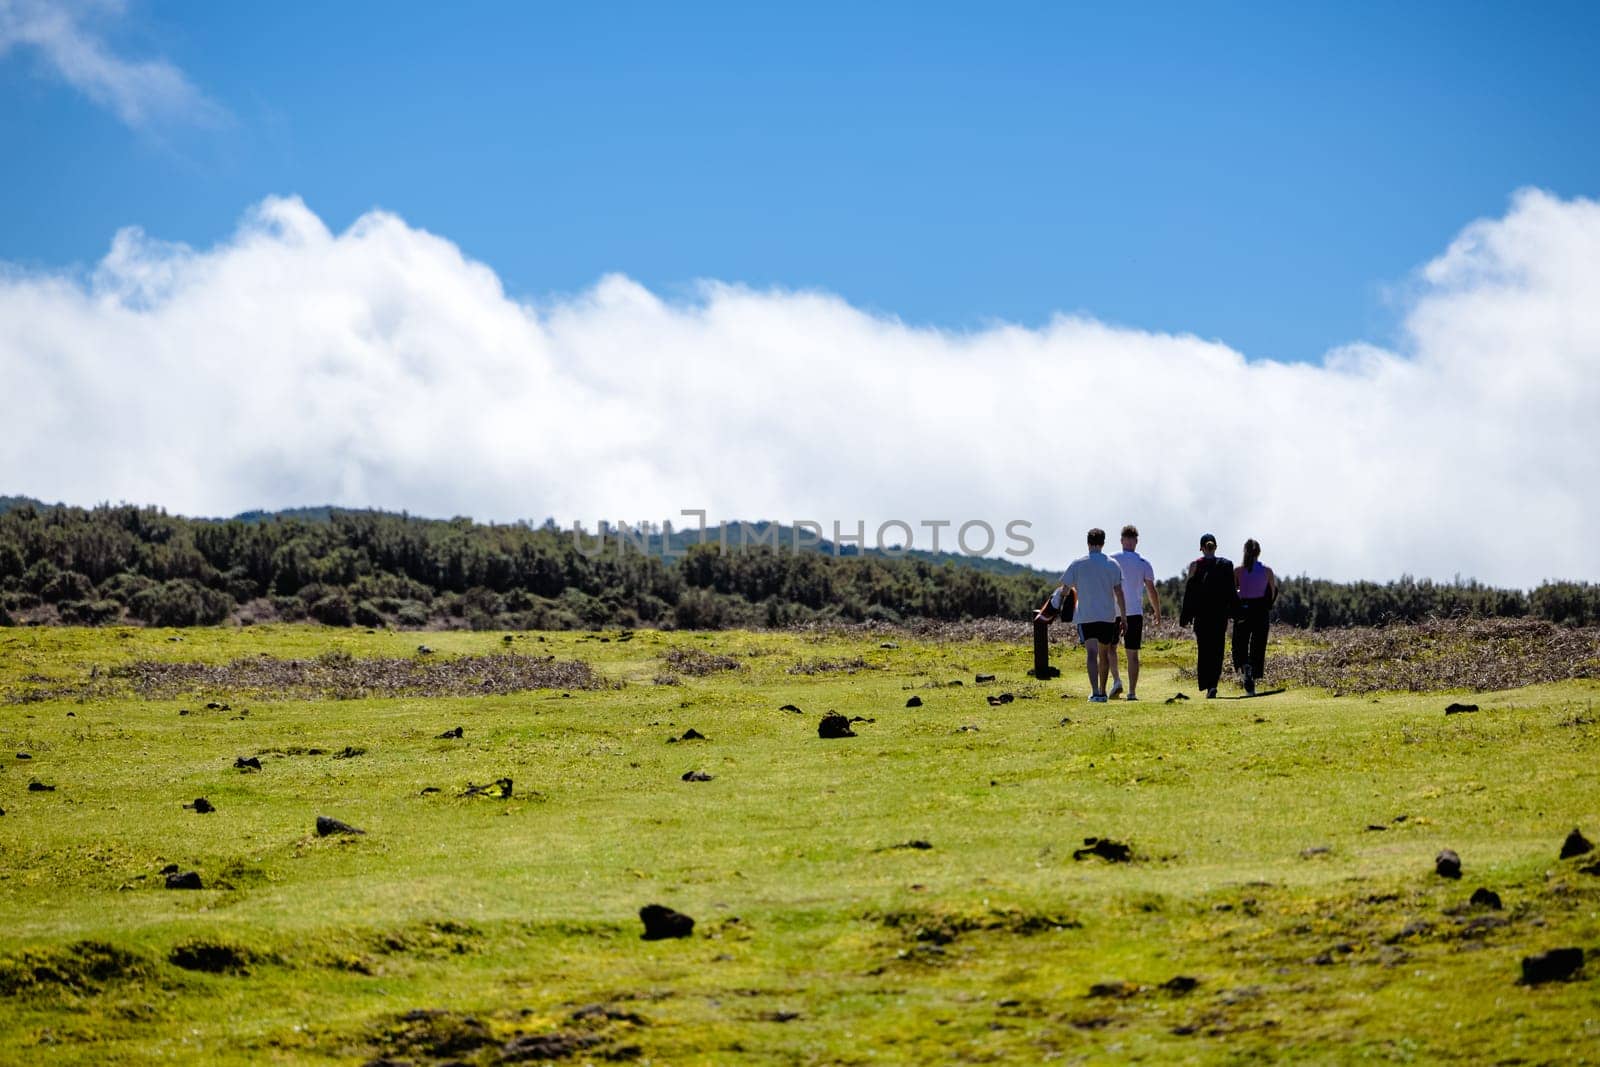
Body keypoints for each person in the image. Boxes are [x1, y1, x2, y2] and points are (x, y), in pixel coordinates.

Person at [1058, 528, 1126, 703]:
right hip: (1107, 615)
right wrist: (1124, 617)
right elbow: (1119, 592)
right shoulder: (1112, 564)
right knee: (1104, 654)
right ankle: (1103, 692)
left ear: (1088, 542)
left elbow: (1065, 589)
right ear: (1103, 543)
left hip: (1086, 615)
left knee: (1091, 653)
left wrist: (1060, 601)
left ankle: (1094, 691)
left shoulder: (1078, 564)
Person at [1178, 532, 1238, 698]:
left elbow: (1189, 593)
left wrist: (1185, 616)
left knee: (1204, 650)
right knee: (1217, 650)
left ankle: (1207, 684)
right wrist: (1236, 612)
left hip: (1202, 616)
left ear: (1201, 548)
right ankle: (1213, 684)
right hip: (1220, 616)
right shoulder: (1226, 565)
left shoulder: (1195, 566)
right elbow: (1231, 591)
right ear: (1215, 547)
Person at [1109, 524, 1163, 700]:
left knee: (1110, 648)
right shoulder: (1143, 563)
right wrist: (1157, 611)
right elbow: (1151, 590)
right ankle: (1132, 692)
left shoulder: (1112, 560)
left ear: (1122, 540)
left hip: (1114, 611)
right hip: (1134, 612)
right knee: (1132, 653)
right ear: (1136, 542)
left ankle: (1116, 680)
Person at [1232, 538, 1278, 695]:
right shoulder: (1267, 571)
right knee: (1258, 645)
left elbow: (1233, 593)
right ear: (1259, 552)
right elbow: (1272, 593)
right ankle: (1252, 668)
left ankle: (1244, 666)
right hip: (1260, 611)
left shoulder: (1237, 571)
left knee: (1240, 643)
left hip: (1244, 609)